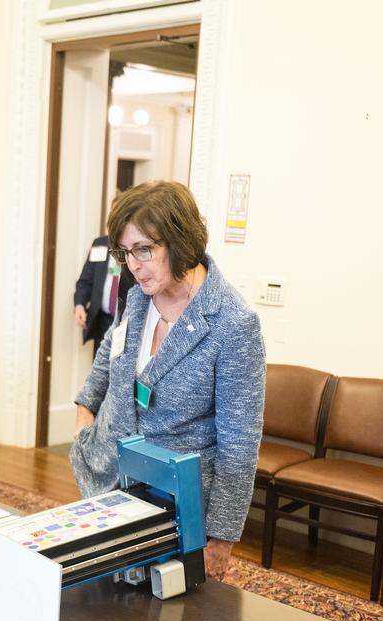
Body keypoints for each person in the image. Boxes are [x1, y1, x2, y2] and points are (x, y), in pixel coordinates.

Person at [71, 181, 265, 576]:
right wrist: (84, 410)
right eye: (125, 252)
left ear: (180, 241)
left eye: (144, 249)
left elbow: (239, 447)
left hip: (173, 506)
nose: (133, 265)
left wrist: (221, 540)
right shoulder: (139, 292)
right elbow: (111, 349)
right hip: (106, 478)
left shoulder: (232, 324)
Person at [72, 233, 134, 355]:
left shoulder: (133, 245)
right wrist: (79, 305)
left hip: (127, 323)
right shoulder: (99, 244)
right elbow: (85, 280)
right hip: (102, 321)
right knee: (100, 362)